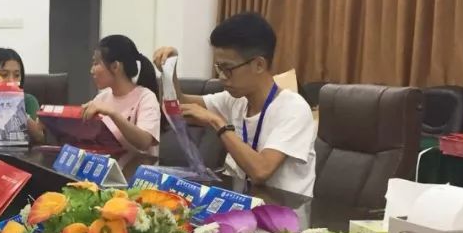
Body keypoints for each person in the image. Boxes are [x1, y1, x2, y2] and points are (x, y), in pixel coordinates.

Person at [153, 12, 316, 196]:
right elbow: (179, 106)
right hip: (241, 201)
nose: (222, 77)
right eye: (219, 68)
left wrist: (217, 123)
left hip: (281, 209)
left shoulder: (293, 108)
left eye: (227, 69)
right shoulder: (236, 99)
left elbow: (261, 171)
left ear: (259, 65)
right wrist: (169, 71)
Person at [81, 35, 161, 157]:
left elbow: (144, 142)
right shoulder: (101, 99)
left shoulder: (146, 97)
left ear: (115, 66)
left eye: (96, 63)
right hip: (107, 166)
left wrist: (113, 113)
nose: (92, 70)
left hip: (137, 168)